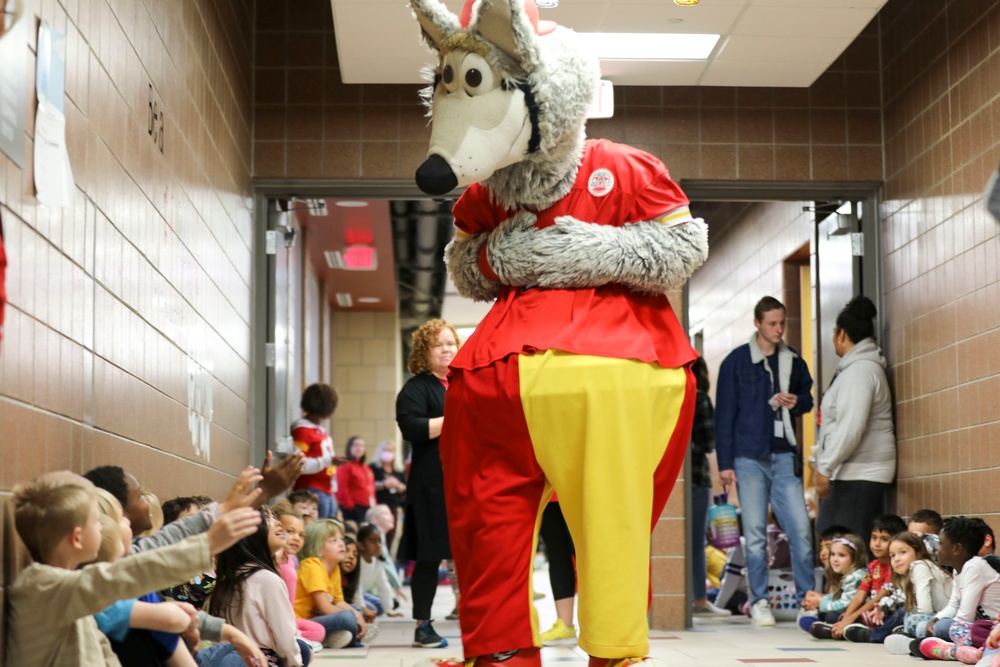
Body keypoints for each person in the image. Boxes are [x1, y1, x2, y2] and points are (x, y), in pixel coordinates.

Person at [6, 470, 262, 665]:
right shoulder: (44, 586)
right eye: (97, 521)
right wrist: (206, 544)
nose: (107, 526)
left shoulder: (65, 588)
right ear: (77, 538)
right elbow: (129, 573)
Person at [715, 296, 815, 626]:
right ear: (757, 323)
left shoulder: (792, 360)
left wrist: (796, 401)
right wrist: (725, 463)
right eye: (772, 323)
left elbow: (807, 399)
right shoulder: (736, 362)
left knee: (800, 530)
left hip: (784, 455)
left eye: (782, 323)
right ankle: (759, 601)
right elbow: (724, 415)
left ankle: (807, 600)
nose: (778, 329)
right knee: (755, 535)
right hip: (747, 457)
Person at [396, 319, 459, 649]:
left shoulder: (462, 383)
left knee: (465, 554)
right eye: (439, 344)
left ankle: (471, 613)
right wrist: (454, 421)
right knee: (429, 555)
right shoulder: (417, 387)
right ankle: (423, 624)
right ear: (425, 351)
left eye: (451, 343)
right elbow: (412, 428)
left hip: (464, 482)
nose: (448, 349)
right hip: (430, 484)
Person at [814, 296, 896, 544]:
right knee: (838, 544)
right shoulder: (856, 369)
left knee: (845, 546)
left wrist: (824, 468)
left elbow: (850, 428)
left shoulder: (860, 371)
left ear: (841, 334)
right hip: (855, 471)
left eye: (833, 333)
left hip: (861, 473)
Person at [209, 507, 311, 667]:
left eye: (274, 517)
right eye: (267, 518)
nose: (278, 523)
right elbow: (285, 639)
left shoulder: (228, 576)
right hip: (255, 658)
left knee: (303, 647)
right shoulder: (267, 579)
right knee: (299, 650)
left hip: (225, 656)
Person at [812, 515, 907, 640]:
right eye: (874, 538)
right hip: (869, 611)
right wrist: (846, 619)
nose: (877, 544)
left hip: (885, 611)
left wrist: (849, 619)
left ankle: (866, 633)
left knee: (896, 617)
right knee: (832, 616)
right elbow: (860, 595)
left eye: (884, 539)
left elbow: (879, 598)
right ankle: (844, 629)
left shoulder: (895, 567)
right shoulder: (873, 567)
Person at [687, 356, 729, 618]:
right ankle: (699, 601)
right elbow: (709, 441)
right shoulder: (700, 398)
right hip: (697, 476)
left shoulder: (669, 395)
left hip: (671, 478)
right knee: (696, 543)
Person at [294, 518, 366, 648]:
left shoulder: (335, 568)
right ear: (317, 548)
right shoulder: (312, 566)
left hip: (314, 618)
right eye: (333, 541)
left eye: (341, 539)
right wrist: (354, 618)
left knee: (356, 610)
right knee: (347, 617)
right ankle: (335, 638)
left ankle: (336, 636)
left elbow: (338, 601)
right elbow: (325, 607)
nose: (341, 544)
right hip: (300, 622)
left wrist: (357, 616)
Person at [880, 532, 953, 654]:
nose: (897, 559)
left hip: (949, 619)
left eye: (903, 552)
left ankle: (917, 643)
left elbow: (925, 609)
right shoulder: (906, 576)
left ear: (918, 553)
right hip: (936, 619)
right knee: (909, 618)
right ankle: (917, 643)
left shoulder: (920, 566)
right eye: (892, 555)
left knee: (913, 621)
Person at [292, 383, 347, 519]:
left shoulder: (319, 429)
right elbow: (299, 464)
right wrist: (329, 460)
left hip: (327, 490)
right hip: (311, 489)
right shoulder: (303, 430)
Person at [800, 534, 868, 628]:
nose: (835, 559)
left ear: (855, 558)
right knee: (824, 615)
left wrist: (820, 603)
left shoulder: (855, 577)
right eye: (833, 554)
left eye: (842, 555)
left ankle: (830, 628)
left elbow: (844, 605)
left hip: (861, 615)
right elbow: (836, 596)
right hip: (848, 613)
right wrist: (817, 600)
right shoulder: (848, 574)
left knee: (830, 617)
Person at [537, 499, 579, 644]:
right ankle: (565, 625)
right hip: (548, 490)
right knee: (557, 552)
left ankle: (602, 623)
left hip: (576, 488)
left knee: (584, 552)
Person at [370, 440, 407, 543]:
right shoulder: (373, 467)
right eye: (385, 450)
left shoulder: (398, 470)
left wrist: (398, 485)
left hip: (394, 505)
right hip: (378, 505)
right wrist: (384, 485)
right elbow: (369, 485)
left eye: (390, 451)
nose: (388, 453)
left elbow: (405, 487)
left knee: (391, 534)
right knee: (377, 533)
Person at [337, 436, 376, 525]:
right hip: (353, 508)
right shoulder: (345, 464)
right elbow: (341, 487)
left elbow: (371, 488)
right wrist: (350, 506)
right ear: (349, 447)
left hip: (367, 507)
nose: (359, 448)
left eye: (362, 446)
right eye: (356, 445)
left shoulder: (365, 467)